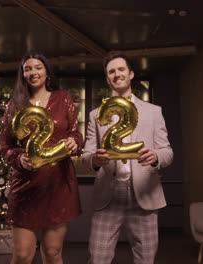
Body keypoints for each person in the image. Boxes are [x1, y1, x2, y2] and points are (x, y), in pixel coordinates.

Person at [82, 51, 173, 264]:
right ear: (107, 79)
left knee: (146, 260)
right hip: (108, 196)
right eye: (111, 72)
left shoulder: (153, 112)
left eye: (121, 69)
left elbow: (167, 152)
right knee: (97, 259)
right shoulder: (96, 114)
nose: (117, 74)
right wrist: (95, 159)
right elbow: (86, 155)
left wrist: (155, 156)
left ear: (131, 74)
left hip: (145, 195)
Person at [0, 52, 82, 264]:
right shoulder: (14, 105)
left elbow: (75, 132)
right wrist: (19, 159)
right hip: (27, 186)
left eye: (38, 67)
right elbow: (6, 146)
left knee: (53, 253)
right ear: (23, 74)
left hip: (59, 184)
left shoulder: (63, 98)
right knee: (23, 255)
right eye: (28, 69)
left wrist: (74, 141)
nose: (33, 72)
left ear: (46, 72)